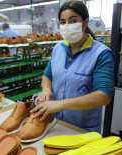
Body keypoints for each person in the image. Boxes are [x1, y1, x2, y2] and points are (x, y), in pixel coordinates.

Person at [31, 1, 115, 133]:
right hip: (55, 124)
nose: (67, 26)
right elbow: (47, 76)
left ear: (85, 22)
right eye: (63, 22)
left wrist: (60, 104)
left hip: (82, 129)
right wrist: (46, 91)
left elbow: (103, 96)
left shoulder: (101, 54)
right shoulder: (58, 48)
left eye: (73, 20)